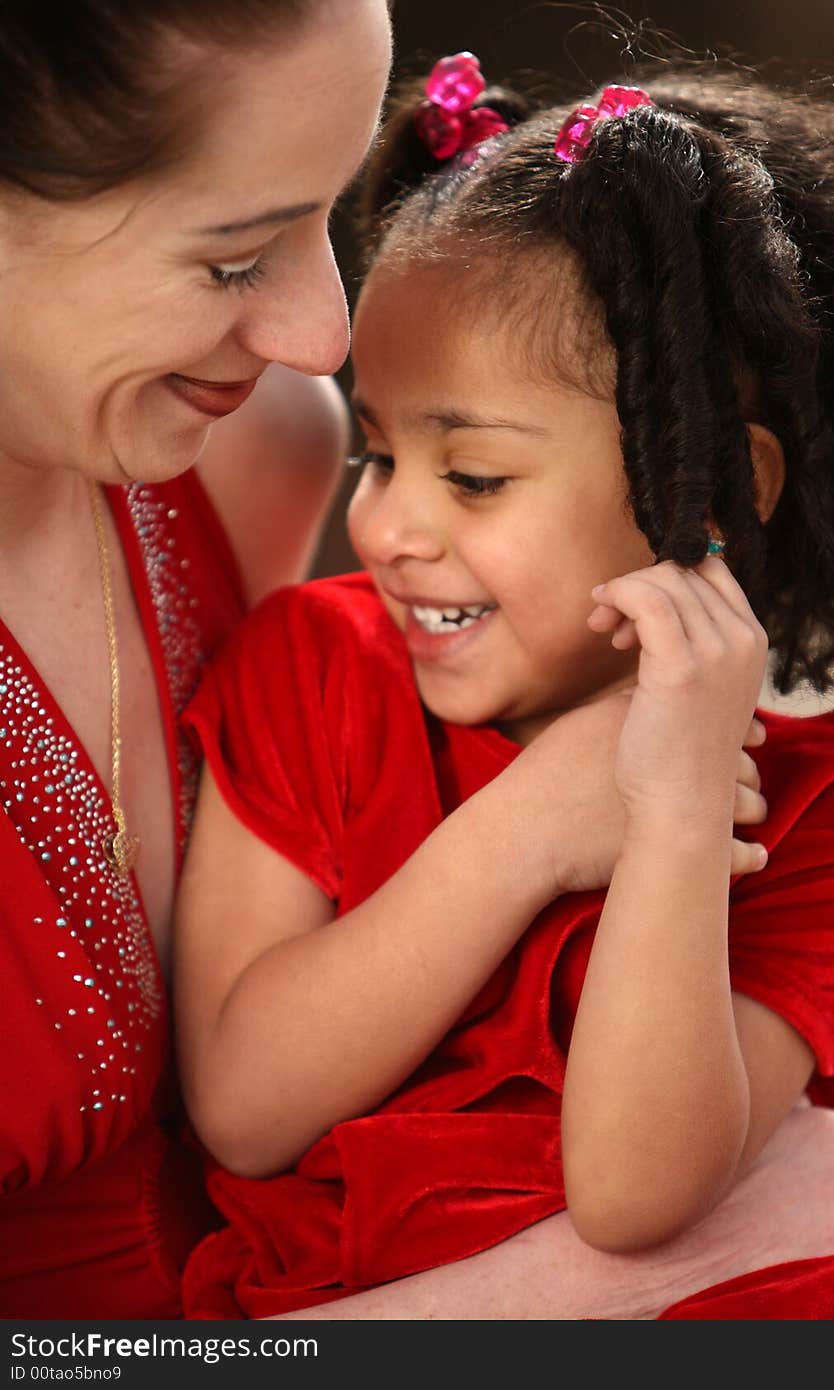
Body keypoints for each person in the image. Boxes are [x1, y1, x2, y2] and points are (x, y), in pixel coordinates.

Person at [175, 56, 834, 1318]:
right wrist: (528, 827)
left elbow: (630, 1194)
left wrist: (667, 812)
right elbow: (241, 1109)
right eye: (381, 450)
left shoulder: (815, 820)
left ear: (720, 492)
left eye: (476, 476)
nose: (384, 524)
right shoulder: (312, 664)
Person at [0, 0, 393, 1319]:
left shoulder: (253, 452)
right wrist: (569, 1305)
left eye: (329, 211)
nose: (321, 333)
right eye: (233, 261)